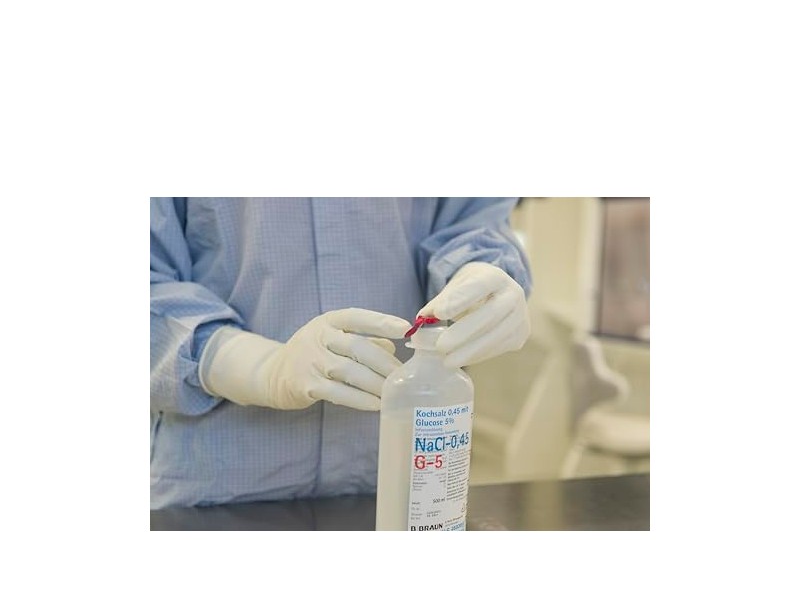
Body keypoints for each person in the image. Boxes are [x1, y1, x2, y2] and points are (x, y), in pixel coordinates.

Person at [151, 198, 532, 508]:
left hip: (404, 482)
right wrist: (258, 367)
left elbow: (472, 217)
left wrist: (479, 270)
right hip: (221, 490)